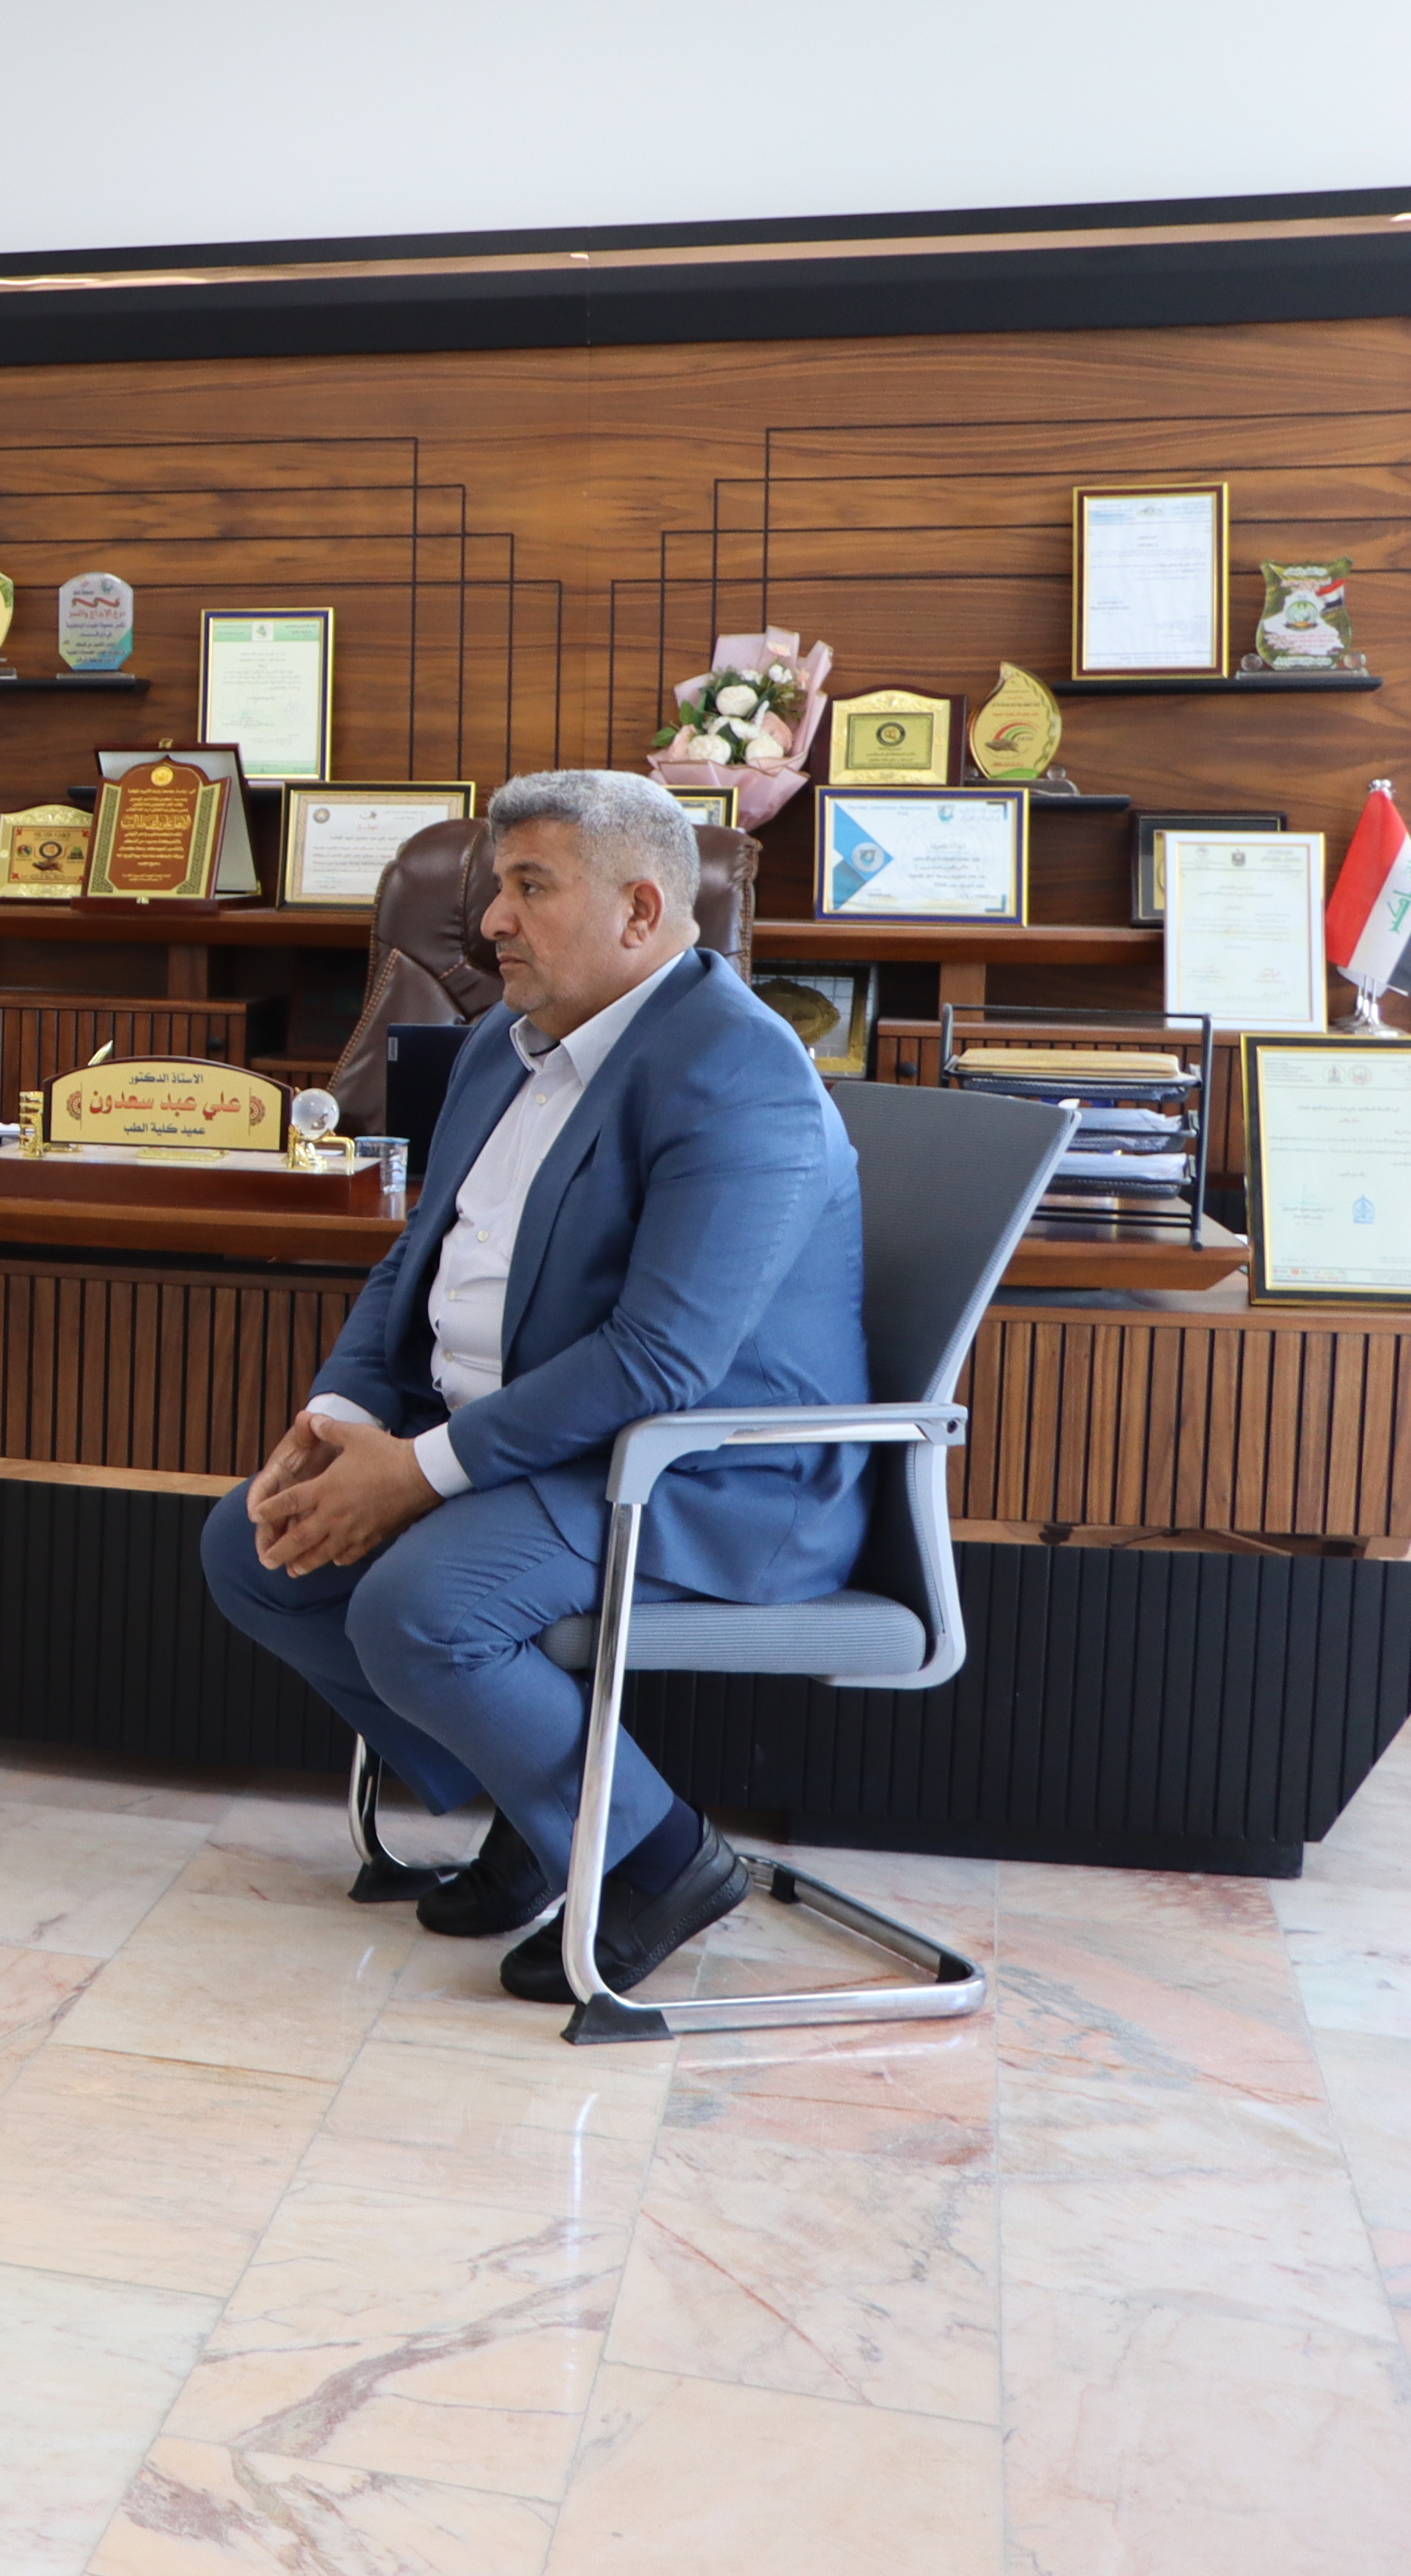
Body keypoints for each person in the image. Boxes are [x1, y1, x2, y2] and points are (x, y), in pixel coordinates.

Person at [203, 769, 872, 1997]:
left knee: (419, 1607)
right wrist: (340, 1418)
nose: (491, 922)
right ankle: (542, 1805)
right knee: (256, 1552)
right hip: (537, 1446)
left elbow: (658, 1360)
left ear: (639, 910)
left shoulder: (738, 1074)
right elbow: (415, 1260)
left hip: (706, 1475)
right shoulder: (499, 1050)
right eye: (494, 888)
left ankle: (662, 1861)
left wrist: (417, 1474)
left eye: (528, 888)